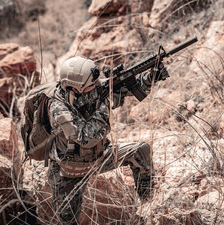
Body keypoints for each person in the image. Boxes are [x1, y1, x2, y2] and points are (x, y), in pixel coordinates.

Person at [47, 56, 169, 224]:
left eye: (98, 82)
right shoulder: (58, 108)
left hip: (98, 157)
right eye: (93, 84)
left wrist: (150, 78)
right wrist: (105, 104)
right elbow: (85, 138)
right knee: (67, 220)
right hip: (69, 171)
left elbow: (125, 88)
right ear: (75, 89)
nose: (98, 85)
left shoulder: (91, 89)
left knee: (141, 150)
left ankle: (148, 204)